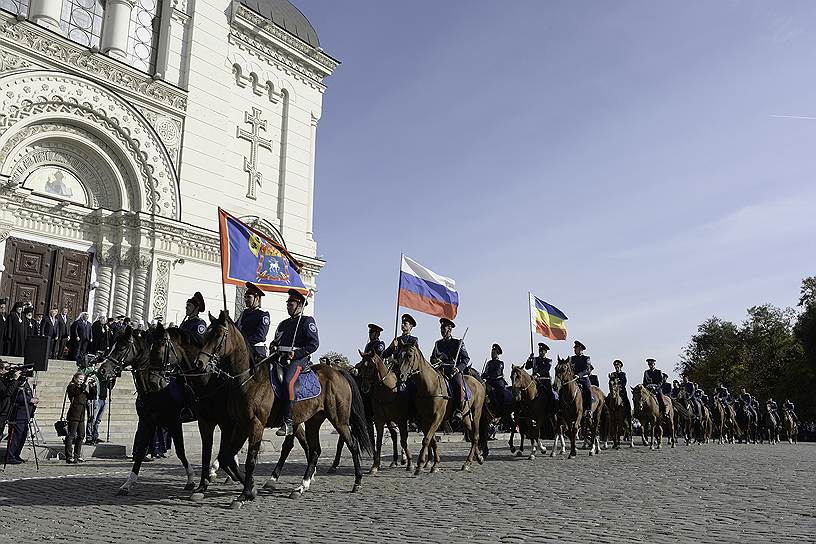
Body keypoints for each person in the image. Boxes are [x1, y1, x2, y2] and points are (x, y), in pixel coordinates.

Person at [269, 289, 318, 437]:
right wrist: (273, 346)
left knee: (289, 382)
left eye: (292, 303)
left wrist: (296, 354)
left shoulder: (307, 321)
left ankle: (288, 422)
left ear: (300, 305)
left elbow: (314, 344)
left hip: (298, 360)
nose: (288, 305)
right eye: (288, 303)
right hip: (280, 358)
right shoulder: (283, 324)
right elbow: (275, 340)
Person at [430, 318, 470, 421]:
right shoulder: (437, 344)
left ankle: (459, 409)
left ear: (450, 329)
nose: (442, 330)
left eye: (444, 328)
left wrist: (458, 368)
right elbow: (432, 358)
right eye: (441, 328)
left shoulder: (458, 342)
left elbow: (466, 358)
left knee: (458, 384)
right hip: (440, 371)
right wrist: (435, 361)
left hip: (453, 371)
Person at [5, 369, 37, 464]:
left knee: (22, 436)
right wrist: (30, 400)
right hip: (17, 415)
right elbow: (16, 397)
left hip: (26, 414)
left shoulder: (25, 384)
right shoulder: (16, 383)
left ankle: (16, 454)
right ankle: (10, 456)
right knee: (15, 437)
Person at [236, 282, 270, 360]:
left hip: (256, 350)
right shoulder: (244, 313)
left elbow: (261, 336)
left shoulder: (263, 314)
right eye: (245, 297)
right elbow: (236, 328)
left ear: (257, 298)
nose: (246, 299)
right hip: (242, 349)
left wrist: (244, 342)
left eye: (249, 297)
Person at [65, 371, 91, 463]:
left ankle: (77, 455)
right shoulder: (72, 386)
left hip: (81, 414)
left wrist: (92, 386)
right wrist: (85, 384)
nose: (81, 381)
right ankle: (69, 456)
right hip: (74, 413)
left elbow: (91, 395)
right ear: (75, 378)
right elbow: (77, 393)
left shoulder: (82, 387)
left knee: (81, 435)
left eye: (82, 380)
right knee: (71, 435)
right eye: (80, 379)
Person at [569, 340, 592, 419]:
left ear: (581, 349)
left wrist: (579, 375)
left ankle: (588, 409)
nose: (575, 350)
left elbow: (587, 370)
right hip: (573, 379)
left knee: (588, 390)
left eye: (576, 348)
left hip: (583, 379)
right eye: (574, 348)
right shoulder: (572, 358)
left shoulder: (586, 358)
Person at [482, 343, 509, 412]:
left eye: (493, 353)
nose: (492, 354)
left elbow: (496, 373)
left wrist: (487, 377)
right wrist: (483, 376)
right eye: (491, 352)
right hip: (489, 381)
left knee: (500, 394)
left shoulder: (500, 363)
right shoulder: (489, 363)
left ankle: (501, 410)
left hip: (497, 382)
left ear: (497, 354)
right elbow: (486, 372)